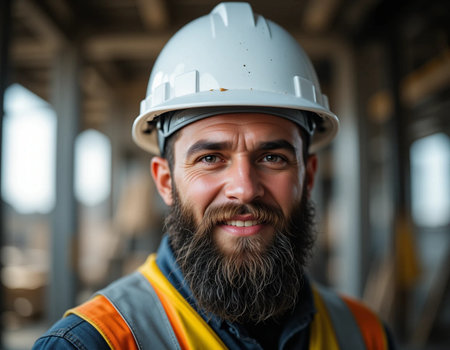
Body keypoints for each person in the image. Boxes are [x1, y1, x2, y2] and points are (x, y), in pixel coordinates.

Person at [34, 2, 395, 349]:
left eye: (272, 157)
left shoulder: (365, 335)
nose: (245, 189)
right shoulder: (93, 343)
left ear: (309, 175)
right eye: (210, 158)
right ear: (165, 181)